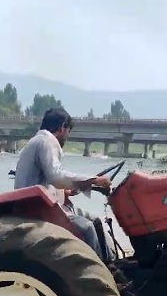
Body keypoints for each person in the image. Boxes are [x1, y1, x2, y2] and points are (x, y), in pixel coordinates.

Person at [13, 108, 112, 260]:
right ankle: (103, 273)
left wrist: (65, 191)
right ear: (62, 127)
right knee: (87, 227)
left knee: (96, 220)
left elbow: (44, 179)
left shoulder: (36, 141)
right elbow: (55, 176)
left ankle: (109, 263)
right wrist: (93, 180)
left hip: (41, 203)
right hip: (38, 209)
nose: (67, 136)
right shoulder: (46, 142)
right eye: (68, 131)